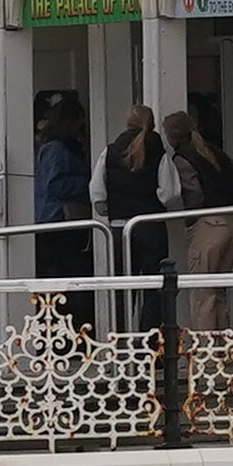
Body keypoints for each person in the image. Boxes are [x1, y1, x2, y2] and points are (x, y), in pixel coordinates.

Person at [162, 110, 233, 329]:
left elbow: (194, 195)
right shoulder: (216, 152)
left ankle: (205, 353)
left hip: (208, 224)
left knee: (203, 292)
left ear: (173, 136)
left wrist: (188, 220)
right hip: (232, 222)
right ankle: (220, 347)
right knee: (218, 290)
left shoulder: (182, 158)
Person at [100, 106, 171, 329]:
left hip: (120, 228)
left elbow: (96, 191)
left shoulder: (110, 151)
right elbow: (170, 193)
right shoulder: (158, 151)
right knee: (154, 288)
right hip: (151, 226)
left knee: (122, 289)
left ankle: (121, 346)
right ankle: (148, 348)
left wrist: (109, 210)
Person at [30, 90, 93, 298]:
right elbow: (54, 185)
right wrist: (87, 184)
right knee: (63, 279)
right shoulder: (57, 149)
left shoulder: (52, 147)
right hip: (57, 221)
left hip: (52, 221)